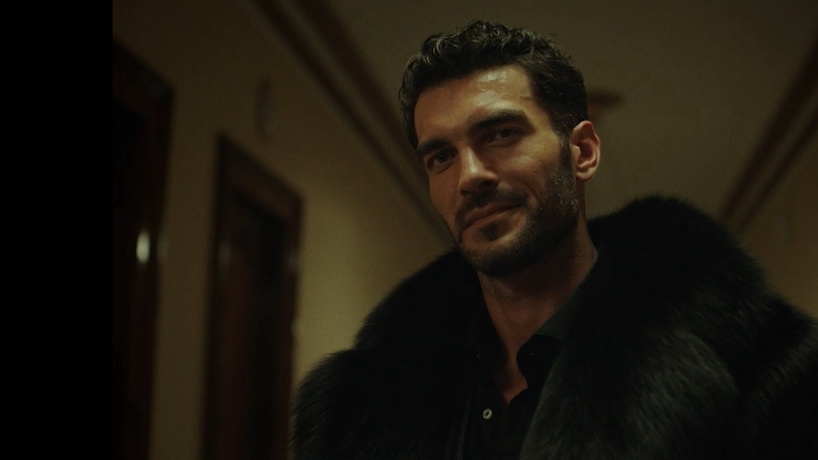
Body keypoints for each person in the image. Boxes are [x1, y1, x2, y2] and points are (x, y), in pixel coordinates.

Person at [292, 20, 817, 460]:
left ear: (582, 152)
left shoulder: (758, 379)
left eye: (501, 134)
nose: (469, 176)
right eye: (441, 157)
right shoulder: (362, 407)